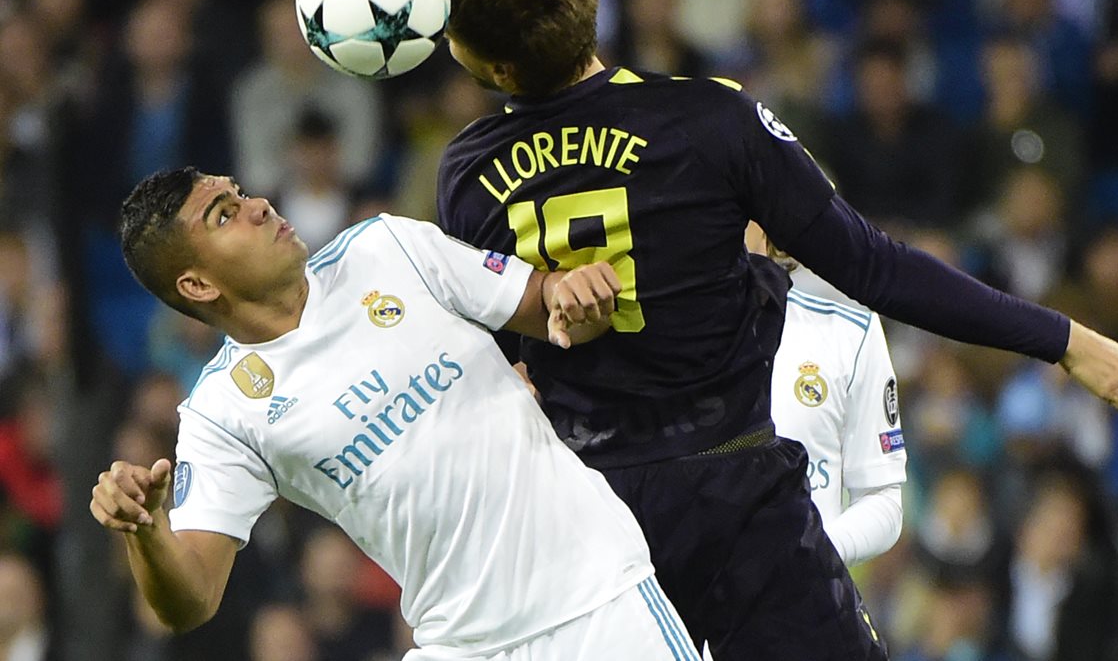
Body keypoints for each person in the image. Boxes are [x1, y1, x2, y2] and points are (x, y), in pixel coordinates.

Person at [434, 0, 1118, 660]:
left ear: (494, 67)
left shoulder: (466, 175)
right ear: (594, 5)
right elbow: (876, 266)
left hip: (591, 523)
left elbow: (495, 361)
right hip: (738, 501)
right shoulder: (711, 119)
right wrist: (1064, 340)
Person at [88, 167, 699, 661]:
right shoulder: (222, 412)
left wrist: (576, 301)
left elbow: (547, 309)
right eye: (224, 215)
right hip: (461, 642)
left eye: (241, 194)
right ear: (196, 286)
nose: (259, 206)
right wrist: (146, 531)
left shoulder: (387, 247)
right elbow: (188, 603)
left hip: (599, 594)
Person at [746, 223, 906, 569]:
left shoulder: (849, 329)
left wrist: (812, 552)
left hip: (804, 607)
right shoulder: (657, 334)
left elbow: (883, 501)